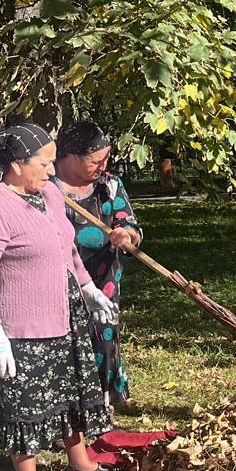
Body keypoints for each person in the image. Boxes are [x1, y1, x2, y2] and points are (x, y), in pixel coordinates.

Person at [0, 123, 119, 471]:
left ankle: (79, 461)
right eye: (45, 163)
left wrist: (87, 288)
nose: (52, 172)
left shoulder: (48, 193)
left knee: (71, 394)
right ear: (17, 164)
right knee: (25, 407)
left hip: (64, 314)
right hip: (21, 329)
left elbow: (65, 248)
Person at [54, 121, 142, 409]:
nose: (104, 166)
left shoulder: (110, 185)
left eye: (106, 158)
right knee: (66, 338)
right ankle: (71, 408)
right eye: (96, 160)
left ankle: (108, 397)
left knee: (104, 332)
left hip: (104, 274)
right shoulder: (46, 187)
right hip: (60, 277)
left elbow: (129, 224)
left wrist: (125, 234)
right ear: (70, 156)